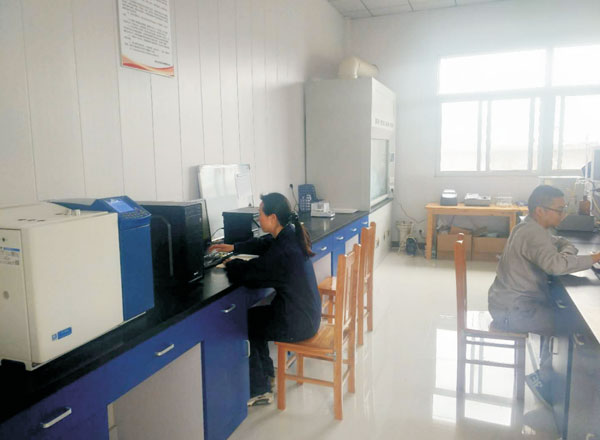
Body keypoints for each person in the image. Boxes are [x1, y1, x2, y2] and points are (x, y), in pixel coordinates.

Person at [488, 185, 600, 407]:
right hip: (513, 312)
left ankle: (547, 374)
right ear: (540, 210)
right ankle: (550, 383)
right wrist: (595, 257)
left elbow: (559, 244)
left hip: (506, 304)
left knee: (563, 313)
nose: (563, 214)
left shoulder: (529, 227)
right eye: (559, 209)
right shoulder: (533, 234)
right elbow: (556, 266)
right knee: (573, 326)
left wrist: (566, 253)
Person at [209, 193, 321, 406]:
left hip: (299, 323)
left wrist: (231, 263)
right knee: (254, 319)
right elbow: (265, 243)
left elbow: (251, 275)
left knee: (247, 322)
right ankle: (267, 375)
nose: (258, 217)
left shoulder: (283, 252)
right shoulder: (289, 234)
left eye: (260, 213)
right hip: (306, 314)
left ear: (273, 217)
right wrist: (234, 248)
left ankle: (259, 389)